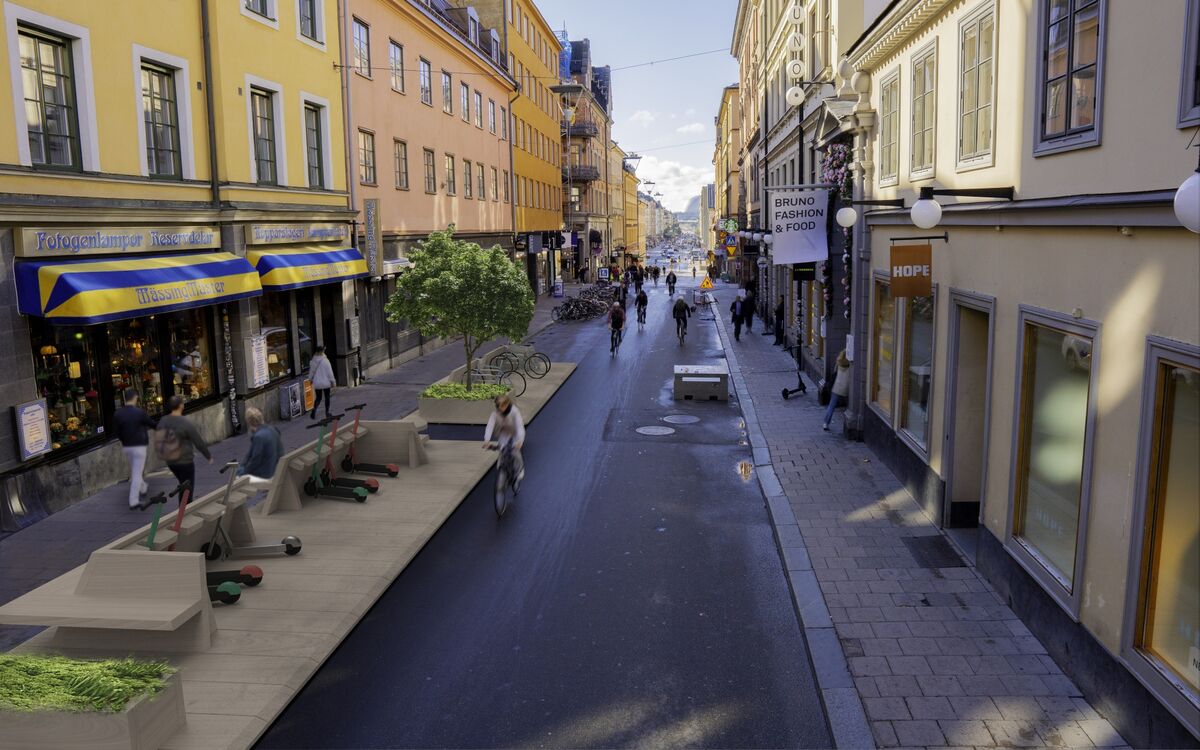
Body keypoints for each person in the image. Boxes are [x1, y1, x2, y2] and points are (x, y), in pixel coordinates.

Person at [153, 394, 212, 500]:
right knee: (187, 488)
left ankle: (183, 509)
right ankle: (184, 512)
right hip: (184, 461)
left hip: (171, 461)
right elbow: (198, 441)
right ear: (181, 406)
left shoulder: (163, 420)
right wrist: (208, 456)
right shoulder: (184, 422)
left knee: (183, 484)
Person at [114, 389, 156, 510]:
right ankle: (133, 500)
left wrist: (124, 440)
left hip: (127, 447)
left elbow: (117, 431)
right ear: (135, 398)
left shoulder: (118, 414)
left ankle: (143, 487)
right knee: (137, 473)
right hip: (139, 446)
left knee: (135, 469)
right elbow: (152, 424)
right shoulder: (139, 412)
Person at [483, 393, 525, 485]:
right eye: (498, 406)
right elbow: (489, 426)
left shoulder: (514, 411)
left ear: (507, 404)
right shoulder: (495, 414)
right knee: (502, 450)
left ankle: (520, 468)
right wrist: (487, 440)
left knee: (515, 451)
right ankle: (502, 473)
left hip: (515, 433)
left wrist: (520, 440)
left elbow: (520, 426)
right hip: (504, 433)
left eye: (502, 406)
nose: (500, 409)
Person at [238, 407, 283, 481]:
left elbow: (255, 459)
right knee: (241, 468)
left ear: (249, 422)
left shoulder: (259, 437)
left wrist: (244, 471)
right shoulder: (273, 429)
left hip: (268, 473)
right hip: (277, 467)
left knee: (238, 473)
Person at [823, 350, 853, 431]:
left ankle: (826, 423)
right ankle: (847, 423)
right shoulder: (851, 365)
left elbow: (834, 372)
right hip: (847, 389)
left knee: (831, 406)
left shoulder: (838, 362)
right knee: (850, 407)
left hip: (836, 387)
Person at [308, 345, 336, 420]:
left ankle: (314, 410)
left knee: (318, 398)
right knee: (327, 397)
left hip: (317, 383)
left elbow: (311, 372)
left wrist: (310, 380)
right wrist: (333, 381)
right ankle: (327, 413)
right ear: (322, 352)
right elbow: (330, 373)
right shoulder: (326, 361)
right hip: (326, 382)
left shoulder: (313, 361)